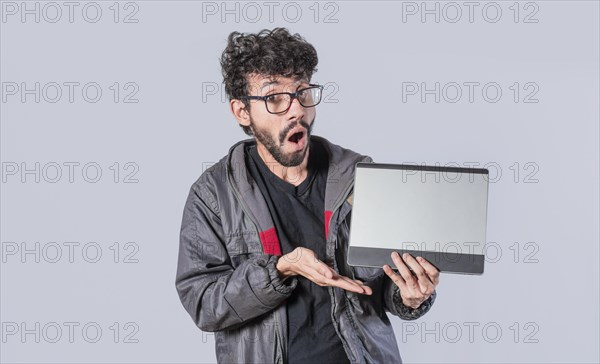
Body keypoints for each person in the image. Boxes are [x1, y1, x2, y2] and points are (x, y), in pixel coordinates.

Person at [175, 28, 440, 364]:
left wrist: (410, 295)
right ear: (242, 112)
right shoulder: (212, 196)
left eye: (303, 92)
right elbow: (203, 303)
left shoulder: (359, 177)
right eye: (274, 98)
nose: (296, 110)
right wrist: (281, 269)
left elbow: (384, 284)